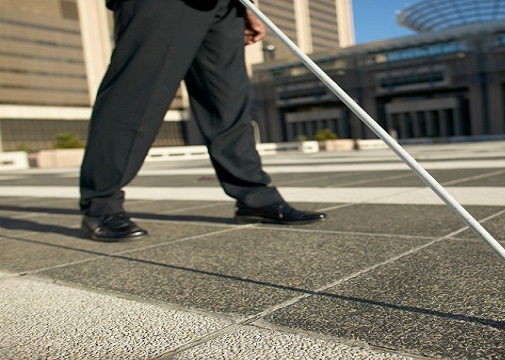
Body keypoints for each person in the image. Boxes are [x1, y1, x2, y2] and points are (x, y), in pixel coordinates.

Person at [80, 0, 326, 241]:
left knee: (228, 103)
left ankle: (255, 197)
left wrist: (248, 7)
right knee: (137, 96)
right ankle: (101, 204)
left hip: (225, 6)